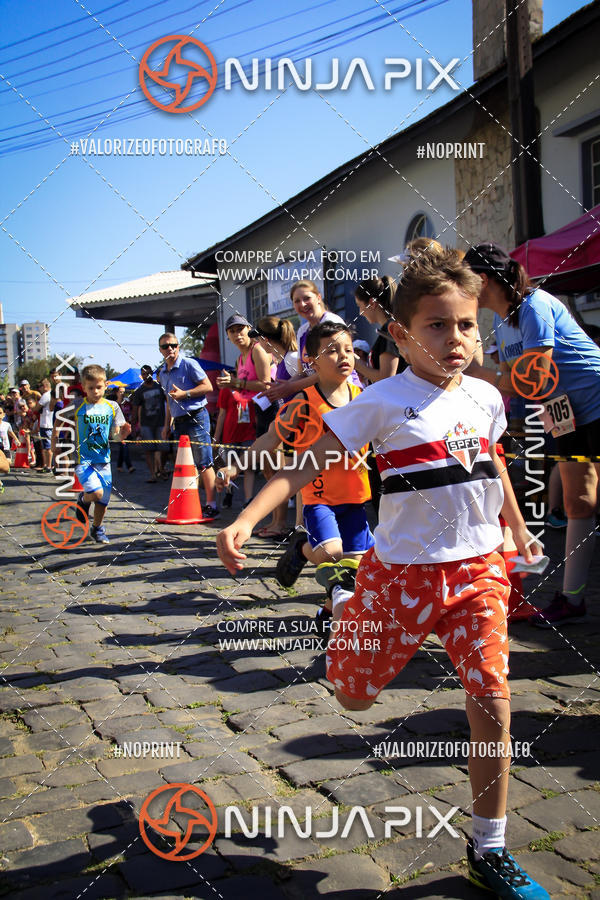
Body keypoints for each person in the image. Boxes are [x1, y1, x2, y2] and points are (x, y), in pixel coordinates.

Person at [217, 249, 550, 900]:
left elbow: (494, 463)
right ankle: (346, 630)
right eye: (436, 325)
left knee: (492, 702)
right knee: (354, 698)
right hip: (397, 578)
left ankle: (490, 847)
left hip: (479, 569)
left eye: (466, 325)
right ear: (399, 333)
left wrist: (514, 525)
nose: (455, 339)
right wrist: (251, 517)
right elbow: (302, 466)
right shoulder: (382, 403)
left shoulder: (484, 396)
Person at [464, 242, 600, 627]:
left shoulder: (535, 305)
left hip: (597, 404)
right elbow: (516, 386)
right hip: (566, 417)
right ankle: (572, 599)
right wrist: (497, 377)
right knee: (578, 502)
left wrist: (482, 374)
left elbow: (532, 377)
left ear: (484, 279)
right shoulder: (503, 325)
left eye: (466, 282)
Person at [218, 319, 373, 635]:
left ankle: (327, 613)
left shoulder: (364, 398)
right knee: (332, 554)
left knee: (355, 569)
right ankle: (305, 549)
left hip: (357, 499)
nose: (344, 356)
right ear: (311, 361)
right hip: (319, 499)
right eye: (331, 351)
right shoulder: (303, 403)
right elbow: (268, 441)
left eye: (348, 350)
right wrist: (236, 465)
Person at [157, 332, 218, 519]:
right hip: (179, 421)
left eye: (174, 345)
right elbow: (169, 401)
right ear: (160, 350)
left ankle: (211, 504)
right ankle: (191, 503)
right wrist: (166, 425)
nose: (171, 349)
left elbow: (208, 386)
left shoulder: (189, 364)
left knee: (204, 462)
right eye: (166, 346)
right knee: (185, 465)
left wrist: (186, 394)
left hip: (197, 417)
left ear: (178, 346)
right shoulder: (162, 373)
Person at [73, 364, 130, 543]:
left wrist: (123, 434)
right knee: (95, 494)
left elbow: (114, 436)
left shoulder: (112, 406)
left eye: (99, 387)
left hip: (104, 460)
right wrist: (55, 445)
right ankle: (83, 499)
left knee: (103, 501)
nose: (95, 391)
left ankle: (97, 528)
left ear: (106, 385)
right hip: (84, 460)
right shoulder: (77, 406)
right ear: (84, 387)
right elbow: (59, 424)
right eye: (91, 388)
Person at [216, 314, 274, 436]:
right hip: (252, 417)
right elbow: (244, 388)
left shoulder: (257, 350)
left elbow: (266, 385)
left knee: (270, 454)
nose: (237, 334)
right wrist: (229, 384)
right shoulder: (239, 359)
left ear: (249, 329)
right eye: (232, 331)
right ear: (227, 335)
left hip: (268, 412)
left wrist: (235, 382)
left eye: (240, 329)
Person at [353, 275, 404, 384]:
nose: (360, 312)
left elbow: (386, 378)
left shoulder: (390, 329)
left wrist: (357, 363)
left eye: (359, 306)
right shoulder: (390, 328)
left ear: (372, 303)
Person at [131, 365, 166, 483]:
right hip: (146, 425)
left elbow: (169, 403)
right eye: (144, 374)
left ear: (152, 373)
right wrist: (133, 427)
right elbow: (135, 410)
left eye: (149, 373)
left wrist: (170, 422)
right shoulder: (139, 391)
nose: (147, 376)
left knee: (164, 449)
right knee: (148, 451)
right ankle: (153, 475)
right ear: (142, 376)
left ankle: (162, 469)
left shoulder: (160, 387)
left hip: (161, 423)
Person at [108, 386, 135, 474]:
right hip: (116, 428)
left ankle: (119, 465)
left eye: (124, 392)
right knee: (124, 445)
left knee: (123, 446)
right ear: (116, 392)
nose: (123, 394)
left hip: (126, 428)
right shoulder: (113, 404)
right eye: (120, 392)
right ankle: (129, 466)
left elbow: (131, 413)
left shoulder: (127, 403)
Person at [37, 378, 54, 473]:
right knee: (45, 447)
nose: (39, 389)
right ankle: (47, 465)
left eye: (40, 386)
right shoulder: (50, 395)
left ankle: (49, 466)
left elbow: (37, 407)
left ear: (45, 387)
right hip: (46, 423)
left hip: (47, 424)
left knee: (48, 447)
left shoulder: (46, 395)